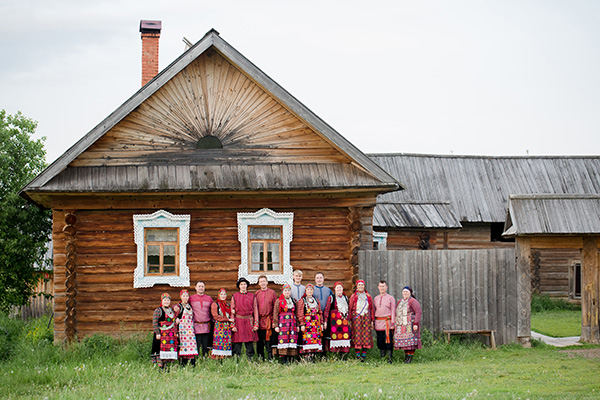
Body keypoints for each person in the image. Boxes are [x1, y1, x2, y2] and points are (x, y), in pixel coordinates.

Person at [231, 277, 258, 359]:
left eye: (244, 284)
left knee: (249, 341)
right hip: (238, 320)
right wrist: (232, 325)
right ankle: (236, 358)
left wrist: (256, 324)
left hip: (249, 320)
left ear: (247, 285)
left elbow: (255, 310)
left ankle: (250, 358)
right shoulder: (235, 296)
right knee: (237, 341)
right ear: (239, 286)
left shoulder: (252, 296)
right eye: (241, 284)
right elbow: (232, 311)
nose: (243, 286)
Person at [394, 286, 422, 363]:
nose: (405, 293)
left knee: (411, 341)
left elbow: (418, 312)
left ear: (410, 293)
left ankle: (410, 358)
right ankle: (406, 357)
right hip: (402, 324)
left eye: (407, 292)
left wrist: (416, 323)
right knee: (405, 342)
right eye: (404, 291)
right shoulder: (400, 301)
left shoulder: (413, 301)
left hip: (411, 323)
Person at [272, 283, 299, 363]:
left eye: (288, 291)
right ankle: (284, 359)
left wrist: (298, 325)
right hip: (283, 323)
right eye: (285, 291)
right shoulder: (279, 301)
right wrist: (276, 325)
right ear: (282, 292)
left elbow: (296, 313)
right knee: (283, 340)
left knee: (291, 339)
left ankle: (291, 358)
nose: (287, 292)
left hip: (292, 323)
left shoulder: (293, 301)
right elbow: (275, 313)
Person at [348, 280, 374, 362]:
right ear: (356, 286)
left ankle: (364, 356)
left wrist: (372, 320)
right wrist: (350, 319)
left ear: (364, 286)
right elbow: (350, 308)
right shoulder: (353, 296)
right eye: (359, 285)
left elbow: (371, 309)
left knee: (366, 336)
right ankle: (358, 356)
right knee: (357, 336)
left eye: (362, 285)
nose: (360, 286)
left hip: (366, 317)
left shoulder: (368, 296)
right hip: (357, 318)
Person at [151, 293, 178, 368]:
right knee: (161, 348)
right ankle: (161, 365)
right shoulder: (158, 310)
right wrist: (157, 333)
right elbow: (155, 322)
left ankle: (168, 364)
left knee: (170, 348)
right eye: (165, 300)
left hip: (171, 334)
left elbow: (174, 320)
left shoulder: (171, 310)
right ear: (162, 301)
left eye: (168, 300)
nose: (166, 302)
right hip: (162, 333)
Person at [324, 281, 351, 356]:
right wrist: (325, 321)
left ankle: (343, 354)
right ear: (335, 289)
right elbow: (327, 310)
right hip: (334, 323)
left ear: (342, 289)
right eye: (337, 288)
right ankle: (335, 354)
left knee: (344, 337)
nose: (339, 289)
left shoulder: (345, 298)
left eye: (340, 287)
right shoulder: (331, 298)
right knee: (335, 337)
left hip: (344, 323)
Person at [297, 283, 323, 360]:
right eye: (308, 289)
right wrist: (302, 324)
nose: (309, 291)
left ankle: (313, 355)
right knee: (308, 339)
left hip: (316, 323)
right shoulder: (303, 300)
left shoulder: (316, 300)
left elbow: (320, 312)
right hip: (307, 323)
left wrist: (321, 323)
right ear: (305, 291)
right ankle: (307, 356)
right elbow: (300, 313)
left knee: (315, 339)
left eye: (311, 290)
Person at [255, 274, 277, 360]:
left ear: (267, 282)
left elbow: (275, 308)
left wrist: (274, 321)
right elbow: (255, 308)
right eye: (261, 282)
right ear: (259, 283)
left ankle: (270, 357)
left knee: (269, 340)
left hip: (269, 320)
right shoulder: (257, 293)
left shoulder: (272, 293)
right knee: (260, 340)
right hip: (260, 321)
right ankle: (260, 358)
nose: (263, 283)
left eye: (264, 281)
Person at [174, 289, 199, 366]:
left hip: (190, 329)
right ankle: (183, 363)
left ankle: (192, 362)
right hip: (183, 329)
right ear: (180, 297)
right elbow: (175, 317)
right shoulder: (179, 306)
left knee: (191, 345)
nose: (185, 297)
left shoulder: (189, 306)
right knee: (183, 345)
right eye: (183, 296)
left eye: (187, 296)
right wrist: (176, 330)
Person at [374, 280, 396, 363]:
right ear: (378, 287)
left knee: (388, 340)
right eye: (380, 286)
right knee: (380, 340)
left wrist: (393, 322)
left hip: (387, 323)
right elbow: (374, 310)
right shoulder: (376, 298)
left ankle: (389, 358)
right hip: (378, 323)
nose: (382, 288)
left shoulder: (390, 298)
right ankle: (382, 357)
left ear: (386, 287)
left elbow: (393, 310)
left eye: (383, 286)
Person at [189, 281, 213, 357]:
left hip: (206, 326)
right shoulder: (191, 298)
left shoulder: (209, 298)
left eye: (202, 286)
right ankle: (197, 359)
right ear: (195, 288)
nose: (201, 288)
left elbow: (212, 310)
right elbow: (183, 304)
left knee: (205, 346)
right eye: (199, 286)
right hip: (196, 325)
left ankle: (205, 360)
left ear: (204, 288)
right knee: (197, 345)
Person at [210, 288, 234, 359]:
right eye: (221, 294)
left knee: (227, 342)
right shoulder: (215, 305)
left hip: (227, 327)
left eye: (224, 294)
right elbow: (215, 316)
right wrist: (227, 319)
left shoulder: (228, 305)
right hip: (219, 326)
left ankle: (225, 357)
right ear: (219, 295)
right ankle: (218, 358)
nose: (223, 296)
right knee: (219, 341)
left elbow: (231, 315)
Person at [314, 272, 332, 354]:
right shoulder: (312, 290)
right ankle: (317, 351)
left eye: (320, 278)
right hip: (316, 315)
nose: (319, 279)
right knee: (317, 333)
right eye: (317, 278)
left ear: (323, 279)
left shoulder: (328, 290)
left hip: (326, 314)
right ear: (315, 279)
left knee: (325, 333)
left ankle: (324, 353)